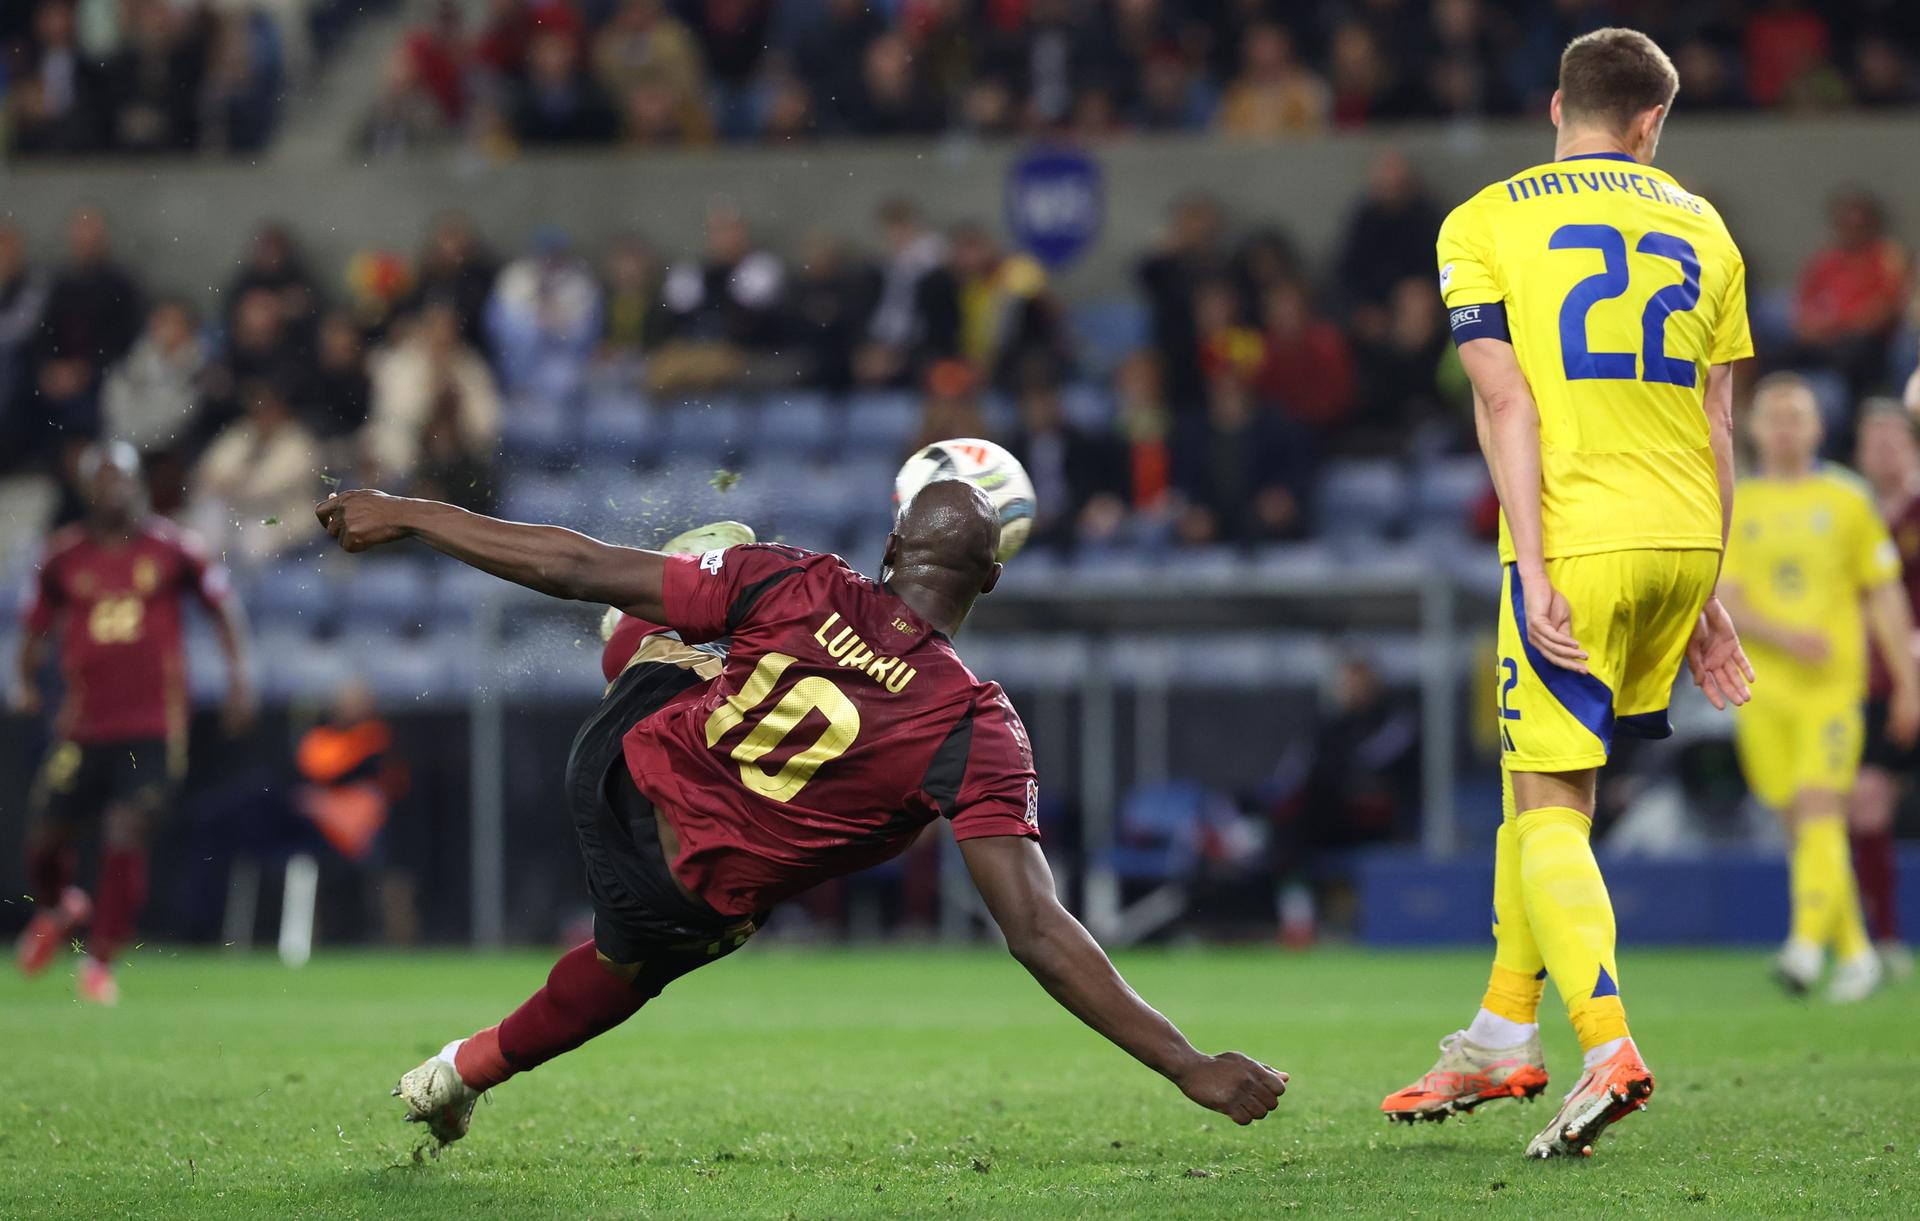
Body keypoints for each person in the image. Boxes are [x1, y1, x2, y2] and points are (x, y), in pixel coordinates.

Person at [313, 480, 1287, 1146]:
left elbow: (571, 563)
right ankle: (468, 1067)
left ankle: (648, 629)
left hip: (612, 763)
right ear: (991, 579)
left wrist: (409, 512)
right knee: (651, 953)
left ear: (893, 544)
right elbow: (1035, 929)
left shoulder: (802, 577)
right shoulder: (975, 725)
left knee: (717, 590)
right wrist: (1186, 1063)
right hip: (688, 889)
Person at [1381, 29, 1755, 1159]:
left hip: (1578, 538)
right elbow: (1718, 418)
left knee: (1546, 798)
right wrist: (1707, 591)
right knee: (1544, 786)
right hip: (1686, 536)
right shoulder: (1705, 223)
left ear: (1557, 106)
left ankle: (1606, 1047)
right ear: (1652, 123)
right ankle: (1502, 1029)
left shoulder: (1485, 219)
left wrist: (1534, 565)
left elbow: (1506, 405)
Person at [12, 442, 253, 1003]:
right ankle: (59, 906)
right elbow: (33, 625)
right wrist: (24, 679)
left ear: (138, 484)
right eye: (105, 479)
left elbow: (221, 607)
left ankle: (99, 961)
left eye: (124, 477)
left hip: (151, 725)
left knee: (127, 830)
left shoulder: (172, 549)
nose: (114, 488)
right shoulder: (64, 556)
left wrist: (239, 678)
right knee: (45, 838)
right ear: (89, 489)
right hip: (81, 726)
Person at [1719, 378, 1920, 1003]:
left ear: (1817, 428)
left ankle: (1805, 947)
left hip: (1834, 691)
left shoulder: (1847, 499)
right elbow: (1724, 597)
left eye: (1796, 416)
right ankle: (1856, 952)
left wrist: (1909, 684)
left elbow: (1884, 594)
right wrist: (1786, 636)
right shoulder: (1735, 502)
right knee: (1798, 824)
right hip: (1760, 687)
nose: (1784, 427)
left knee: (1820, 808)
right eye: (1773, 417)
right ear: (1754, 429)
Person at [1853, 397, 1920, 978]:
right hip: (1872, 683)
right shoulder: (1848, 513)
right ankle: (1887, 938)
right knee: (1868, 801)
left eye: (1892, 439)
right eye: (1871, 441)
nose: (1882, 451)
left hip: (1911, 671)